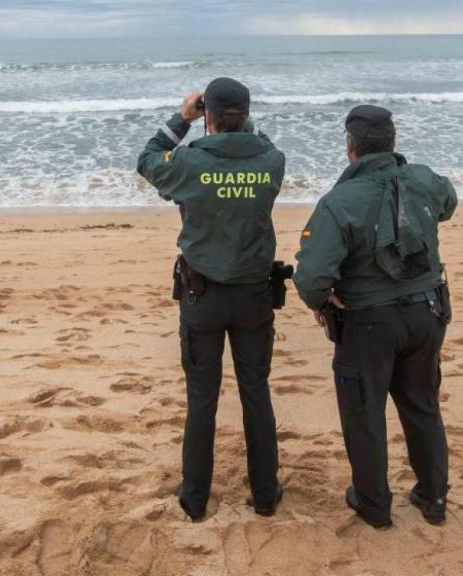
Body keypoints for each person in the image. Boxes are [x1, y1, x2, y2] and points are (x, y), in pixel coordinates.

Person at [293, 104, 457, 529]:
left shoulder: (339, 201)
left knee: (364, 414)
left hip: (368, 324)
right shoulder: (422, 179)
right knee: (422, 405)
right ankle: (433, 496)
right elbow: (448, 202)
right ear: (392, 143)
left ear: (350, 148)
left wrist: (321, 301)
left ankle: (374, 503)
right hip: (427, 313)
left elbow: (311, 276)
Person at [136, 78, 286, 522]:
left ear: (210, 118)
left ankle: (195, 497)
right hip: (254, 296)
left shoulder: (188, 161)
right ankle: (264, 494)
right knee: (256, 393)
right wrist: (233, 119)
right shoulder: (271, 161)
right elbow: (260, 142)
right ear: (245, 115)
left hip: (202, 297)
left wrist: (183, 118)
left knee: (202, 398)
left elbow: (146, 160)